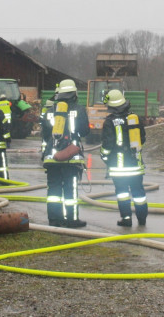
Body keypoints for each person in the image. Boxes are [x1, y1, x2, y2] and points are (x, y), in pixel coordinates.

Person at [43, 79, 90, 228]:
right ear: (74, 93)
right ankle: (72, 220)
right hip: (72, 157)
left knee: (54, 190)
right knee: (71, 189)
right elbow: (85, 131)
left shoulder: (49, 111)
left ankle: (54, 219)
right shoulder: (79, 110)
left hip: (52, 157)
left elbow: (45, 135)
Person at [100, 90, 148, 226]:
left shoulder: (110, 122)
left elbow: (107, 144)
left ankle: (126, 219)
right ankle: (142, 219)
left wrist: (103, 155)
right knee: (139, 193)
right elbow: (142, 139)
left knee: (122, 193)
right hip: (136, 165)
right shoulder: (134, 118)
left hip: (119, 167)